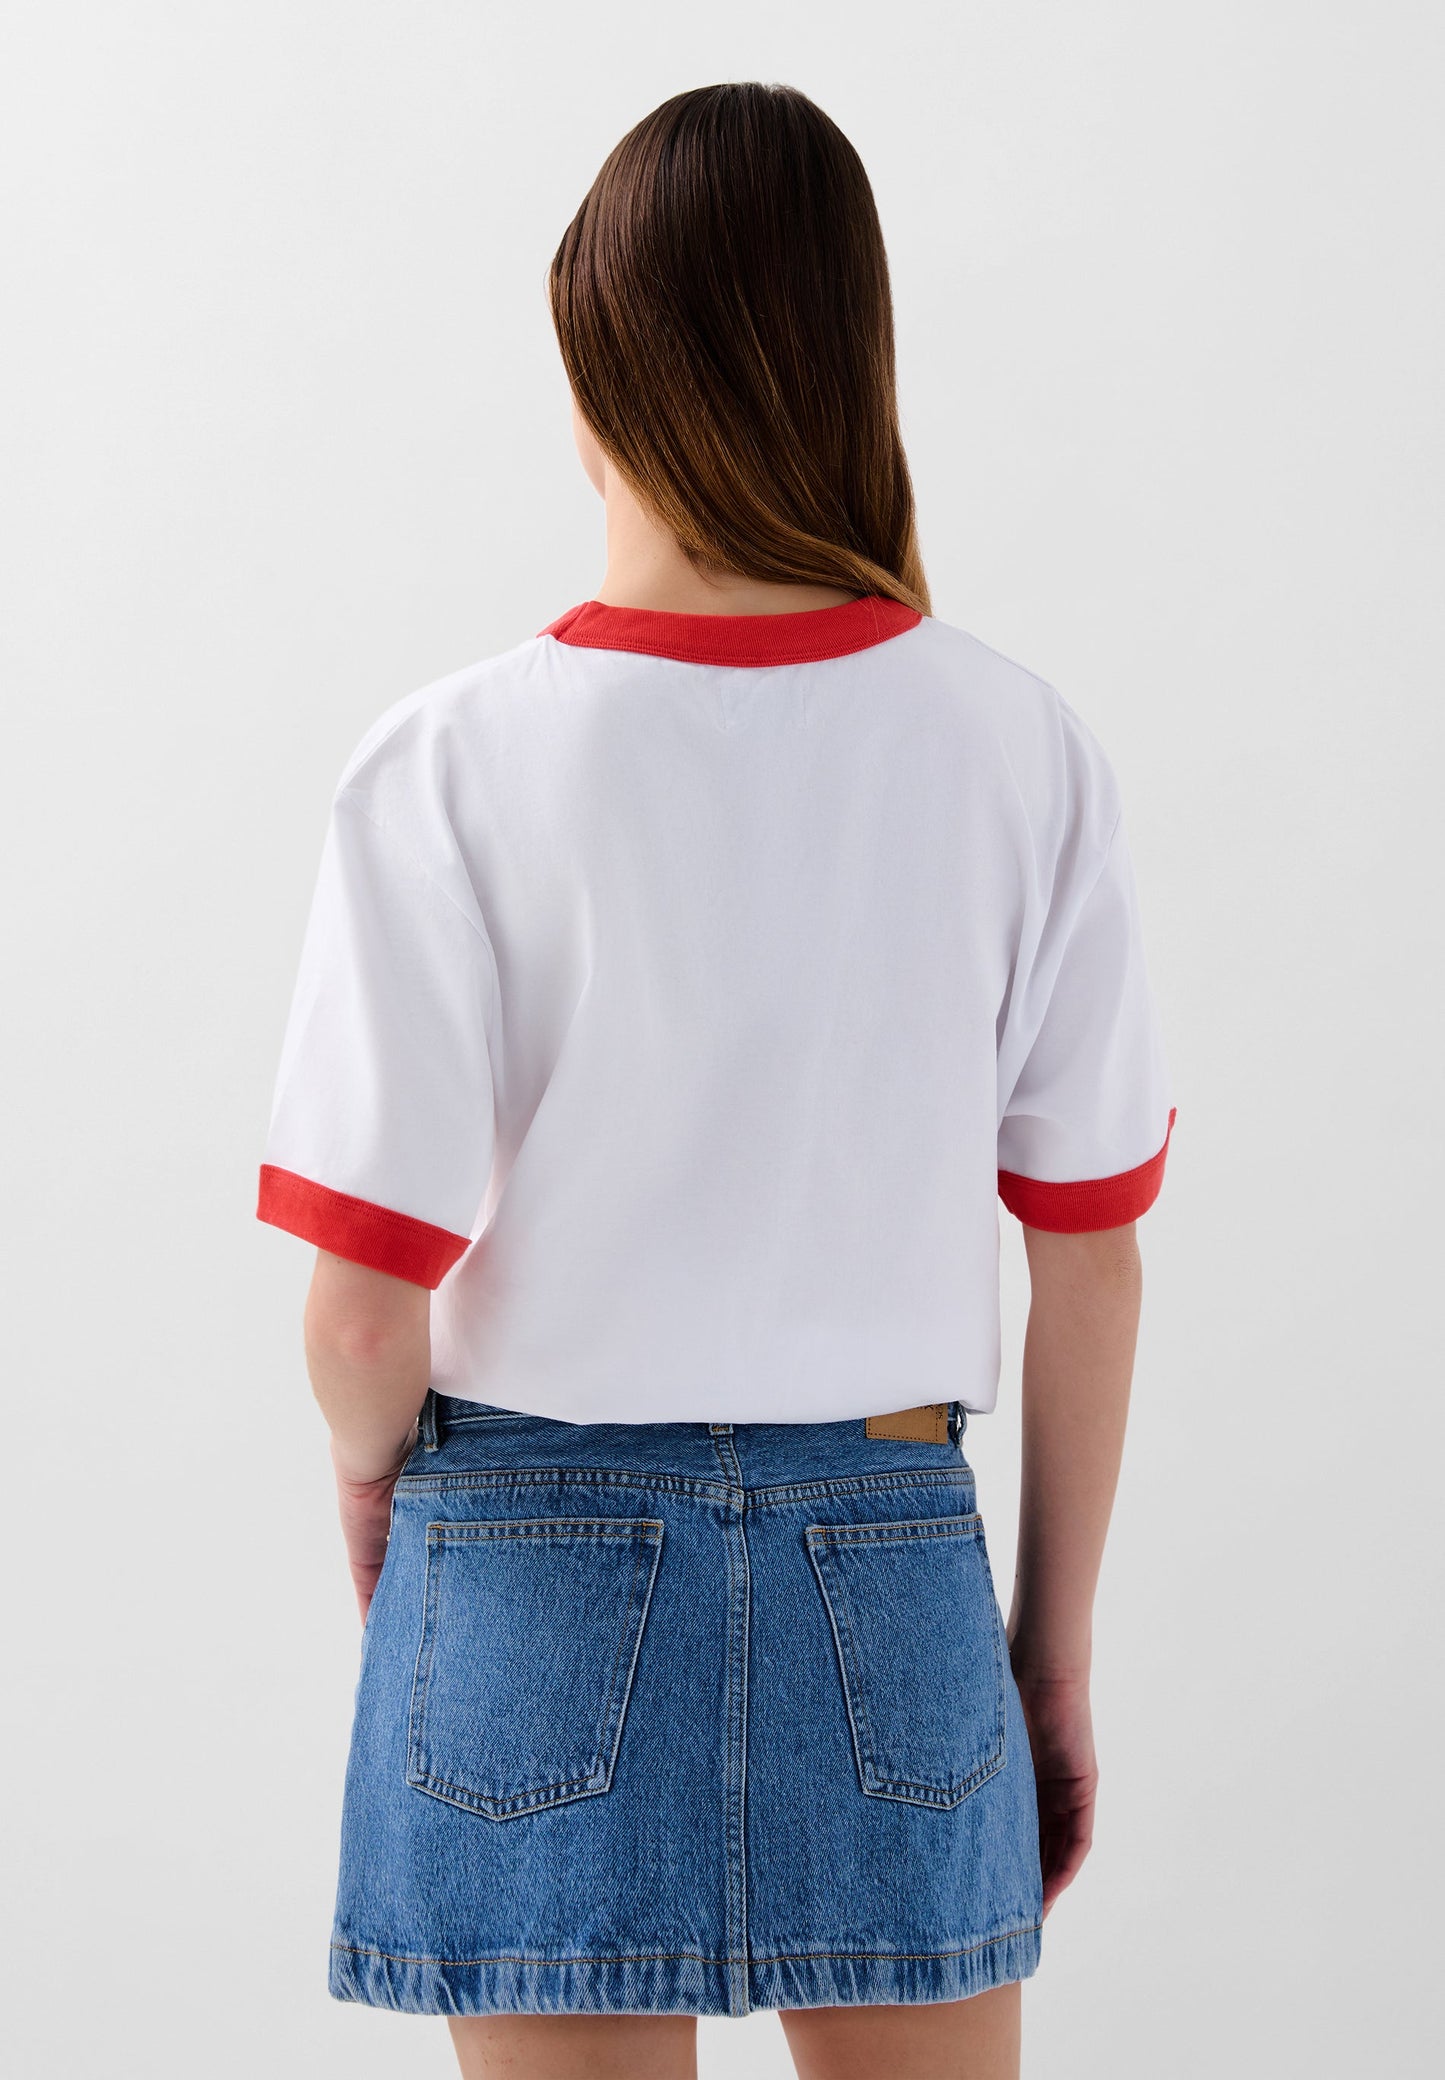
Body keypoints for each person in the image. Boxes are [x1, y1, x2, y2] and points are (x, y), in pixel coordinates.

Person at [256, 80, 1176, 2080]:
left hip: (524, 1557)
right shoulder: (1020, 751)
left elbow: (358, 1312)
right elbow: (1090, 1261)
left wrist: (375, 1489)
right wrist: (1048, 1655)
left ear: (596, 381)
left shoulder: (446, 763)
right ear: (854, 368)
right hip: (894, 1559)